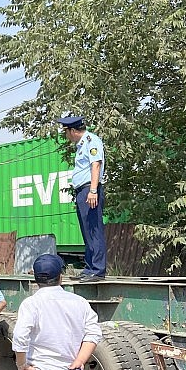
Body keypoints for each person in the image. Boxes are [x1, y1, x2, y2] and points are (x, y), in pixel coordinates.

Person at [56, 116, 106, 282]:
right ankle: (90, 267)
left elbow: (96, 165)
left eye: (65, 132)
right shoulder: (82, 145)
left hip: (89, 189)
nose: (66, 136)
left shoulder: (92, 140)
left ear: (72, 130)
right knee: (87, 230)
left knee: (94, 229)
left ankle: (98, 270)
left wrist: (93, 191)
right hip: (82, 190)